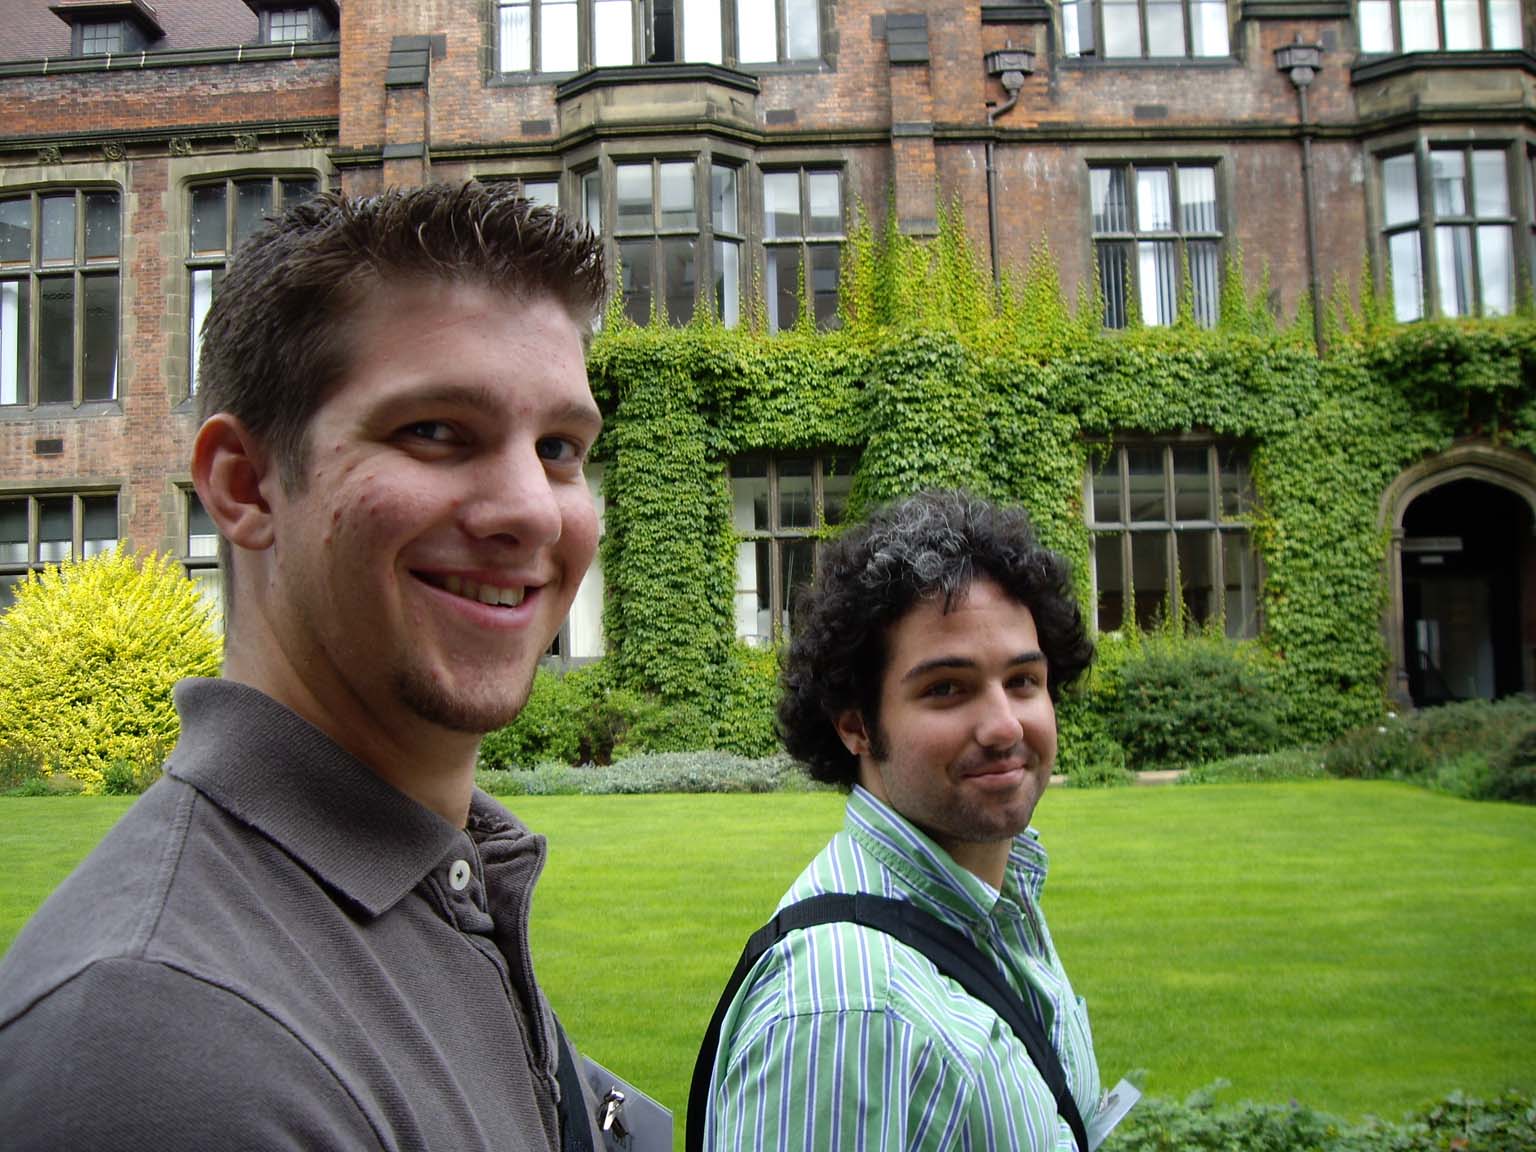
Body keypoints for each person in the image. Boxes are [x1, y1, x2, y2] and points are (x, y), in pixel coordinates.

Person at [0, 184, 611, 1150]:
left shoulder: (437, 886)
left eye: (560, 448)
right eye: (436, 431)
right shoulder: (155, 1041)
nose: (533, 510)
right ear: (245, 486)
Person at [700, 489, 1104, 1151]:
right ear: (855, 723)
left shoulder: (994, 907)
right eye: (947, 688)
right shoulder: (849, 1009)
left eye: (1024, 681)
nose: (1004, 725)